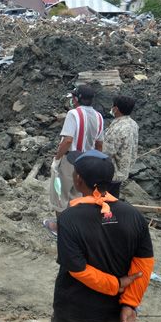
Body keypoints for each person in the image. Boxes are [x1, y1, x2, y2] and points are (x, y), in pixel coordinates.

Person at [49, 149, 154, 322]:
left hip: (75, 311)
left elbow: (77, 269)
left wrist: (116, 284)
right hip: (112, 312)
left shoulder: (69, 219)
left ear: (78, 179)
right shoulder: (134, 216)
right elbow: (144, 265)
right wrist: (129, 303)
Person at [45, 84, 104, 236]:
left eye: (73, 97)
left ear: (77, 99)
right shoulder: (99, 117)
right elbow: (99, 143)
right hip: (88, 161)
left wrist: (57, 159)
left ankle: (61, 229)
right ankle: (75, 226)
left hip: (70, 160)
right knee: (78, 195)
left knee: (60, 195)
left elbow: (67, 140)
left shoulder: (73, 114)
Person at [103, 96, 139, 198]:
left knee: (105, 200)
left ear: (116, 109)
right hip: (123, 170)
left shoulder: (118, 128)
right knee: (114, 197)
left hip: (112, 172)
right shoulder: (133, 124)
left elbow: (106, 152)